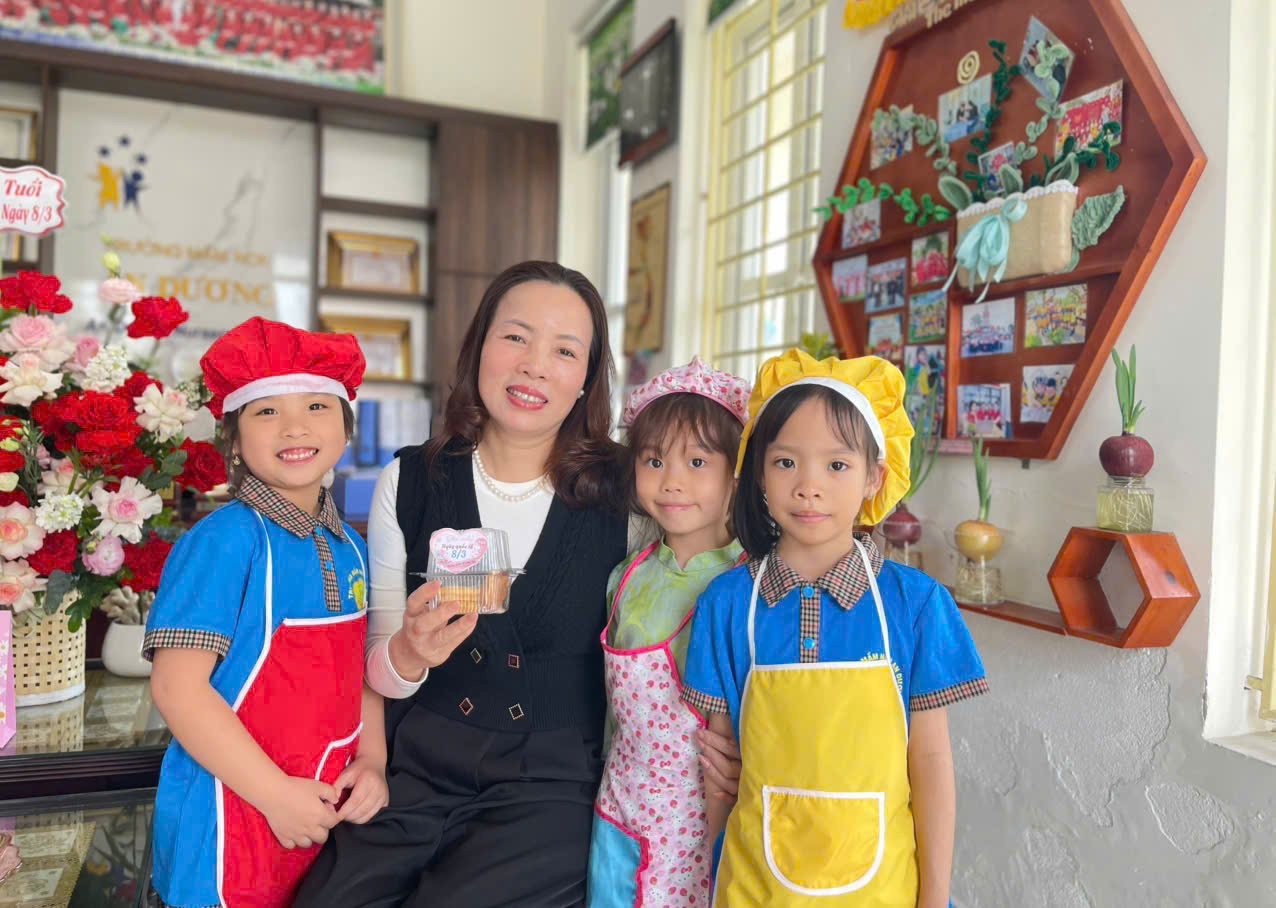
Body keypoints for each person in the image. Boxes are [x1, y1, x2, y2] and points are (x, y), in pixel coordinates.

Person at [294, 261, 630, 907]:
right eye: (516, 337)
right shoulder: (410, 481)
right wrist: (408, 653)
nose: (534, 366)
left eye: (564, 351)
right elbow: (377, 664)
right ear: (479, 347)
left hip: (553, 785)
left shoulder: (628, 491)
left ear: (586, 379)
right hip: (418, 767)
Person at [681, 348, 988, 907]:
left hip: (884, 891)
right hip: (754, 889)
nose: (809, 486)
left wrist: (936, 897)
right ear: (758, 473)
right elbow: (719, 772)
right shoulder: (726, 604)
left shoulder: (917, 604)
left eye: (837, 465)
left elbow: (930, 762)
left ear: (876, 477)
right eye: (785, 462)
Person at [144, 317, 388, 908]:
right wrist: (275, 794)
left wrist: (374, 761)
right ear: (233, 440)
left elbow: (358, 671)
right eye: (267, 411)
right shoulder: (224, 540)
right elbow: (177, 689)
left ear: (346, 428)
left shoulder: (350, 546)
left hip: (317, 816)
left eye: (316, 406)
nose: (295, 426)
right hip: (230, 818)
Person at [587, 357, 751, 907]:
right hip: (619, 806)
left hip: (701, 815)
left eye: (697, 461)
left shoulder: (746, 585)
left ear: (736, 474)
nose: (672, 481)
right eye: (654, 460)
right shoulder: (626, 576)